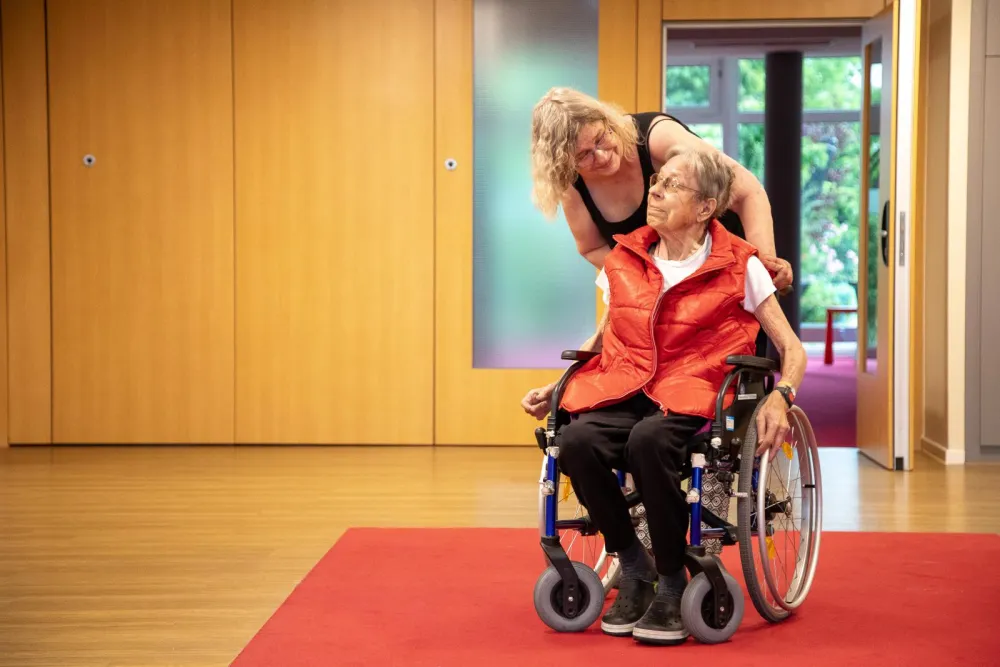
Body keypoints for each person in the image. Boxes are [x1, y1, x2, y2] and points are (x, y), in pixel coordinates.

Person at [522, 147, 806, 645]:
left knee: (649, 441)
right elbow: (607, 332)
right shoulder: (625, 256)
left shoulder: (741, 265)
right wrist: (559, 384)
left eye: (672, 185)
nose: (655, 191)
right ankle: (635, 564)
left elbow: (790, 348)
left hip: (693, 389)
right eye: (657, 181)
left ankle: (672, 578)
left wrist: (781, 396)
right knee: (576, 441)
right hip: (626, 383)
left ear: (705, 207)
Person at [528, 87, 792, 287]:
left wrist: (764, 267)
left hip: (731, 277)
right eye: (584, 155)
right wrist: (642, 281)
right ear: (565, 162)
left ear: (608, 121)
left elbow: (747, 191)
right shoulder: (571, 183)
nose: (602, 155)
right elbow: (592, 247)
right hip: (662, 296)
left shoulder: (656, 137)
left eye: (600, 138)